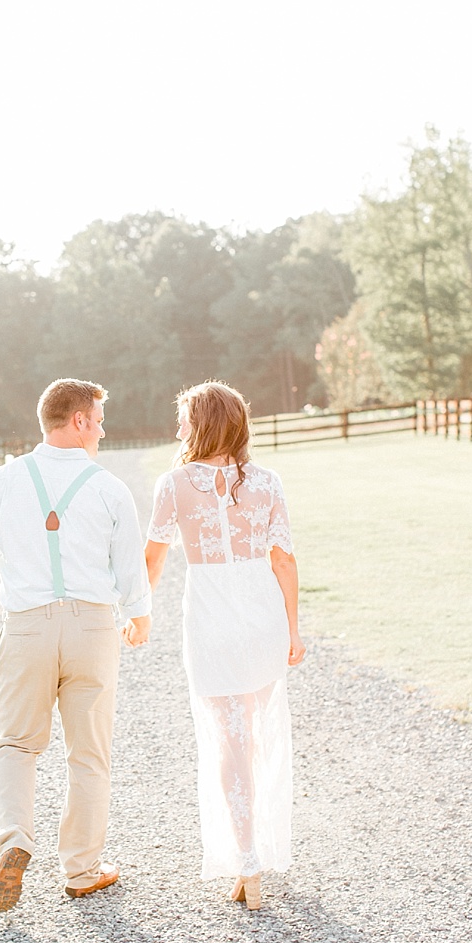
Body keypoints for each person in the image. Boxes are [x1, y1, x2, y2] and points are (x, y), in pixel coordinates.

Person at [0, 378, 153, 912]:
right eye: (99, 419)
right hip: (92, 628)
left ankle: (15, 838)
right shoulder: (109, 488)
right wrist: (138, 619)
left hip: (27, 627)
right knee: (89, 753)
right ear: (79, 420)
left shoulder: (2, 482)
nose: (103, 430)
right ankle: (82, 869)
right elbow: (131, 573)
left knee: (15, 743)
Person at [142, 380, 305, 909]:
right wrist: (294, 629)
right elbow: (284, 560)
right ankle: (254, 851)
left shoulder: (174, 485)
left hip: (211, 620)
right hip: (261, 617)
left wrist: (136, 615)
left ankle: (248, 861)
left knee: (228, 743)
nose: (179, 428)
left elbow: (153, 559)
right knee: (256, 734)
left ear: (204, 423)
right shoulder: (267, 482)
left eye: (185, 418)